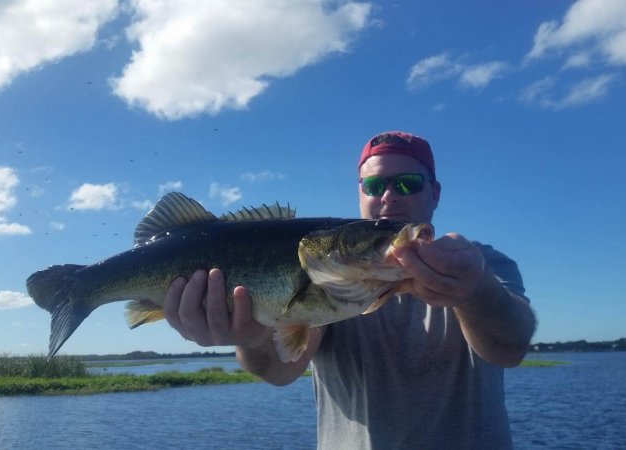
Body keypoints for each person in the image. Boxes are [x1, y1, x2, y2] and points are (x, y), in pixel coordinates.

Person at [163, 131, 537, 449]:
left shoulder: (481, 265)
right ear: (360, 193)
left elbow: (509, 349)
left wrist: (477, 292)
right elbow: (279, 372)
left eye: (407, 183)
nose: (389, 196)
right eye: (374, 185)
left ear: (434, 194)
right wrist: (251, 337)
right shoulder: (329, 275)